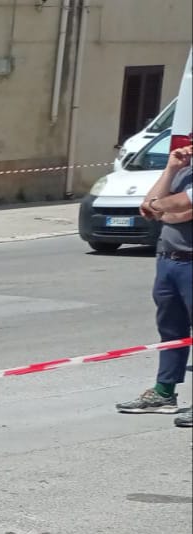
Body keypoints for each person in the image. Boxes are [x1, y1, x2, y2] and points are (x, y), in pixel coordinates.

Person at [116, 143, 193, 428]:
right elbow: (150, 202)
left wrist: (159, 207)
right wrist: (171, 169)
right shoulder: (184, 172)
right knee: (171, 330)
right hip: (169, 261)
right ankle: (163, 393)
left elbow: (183, 209)